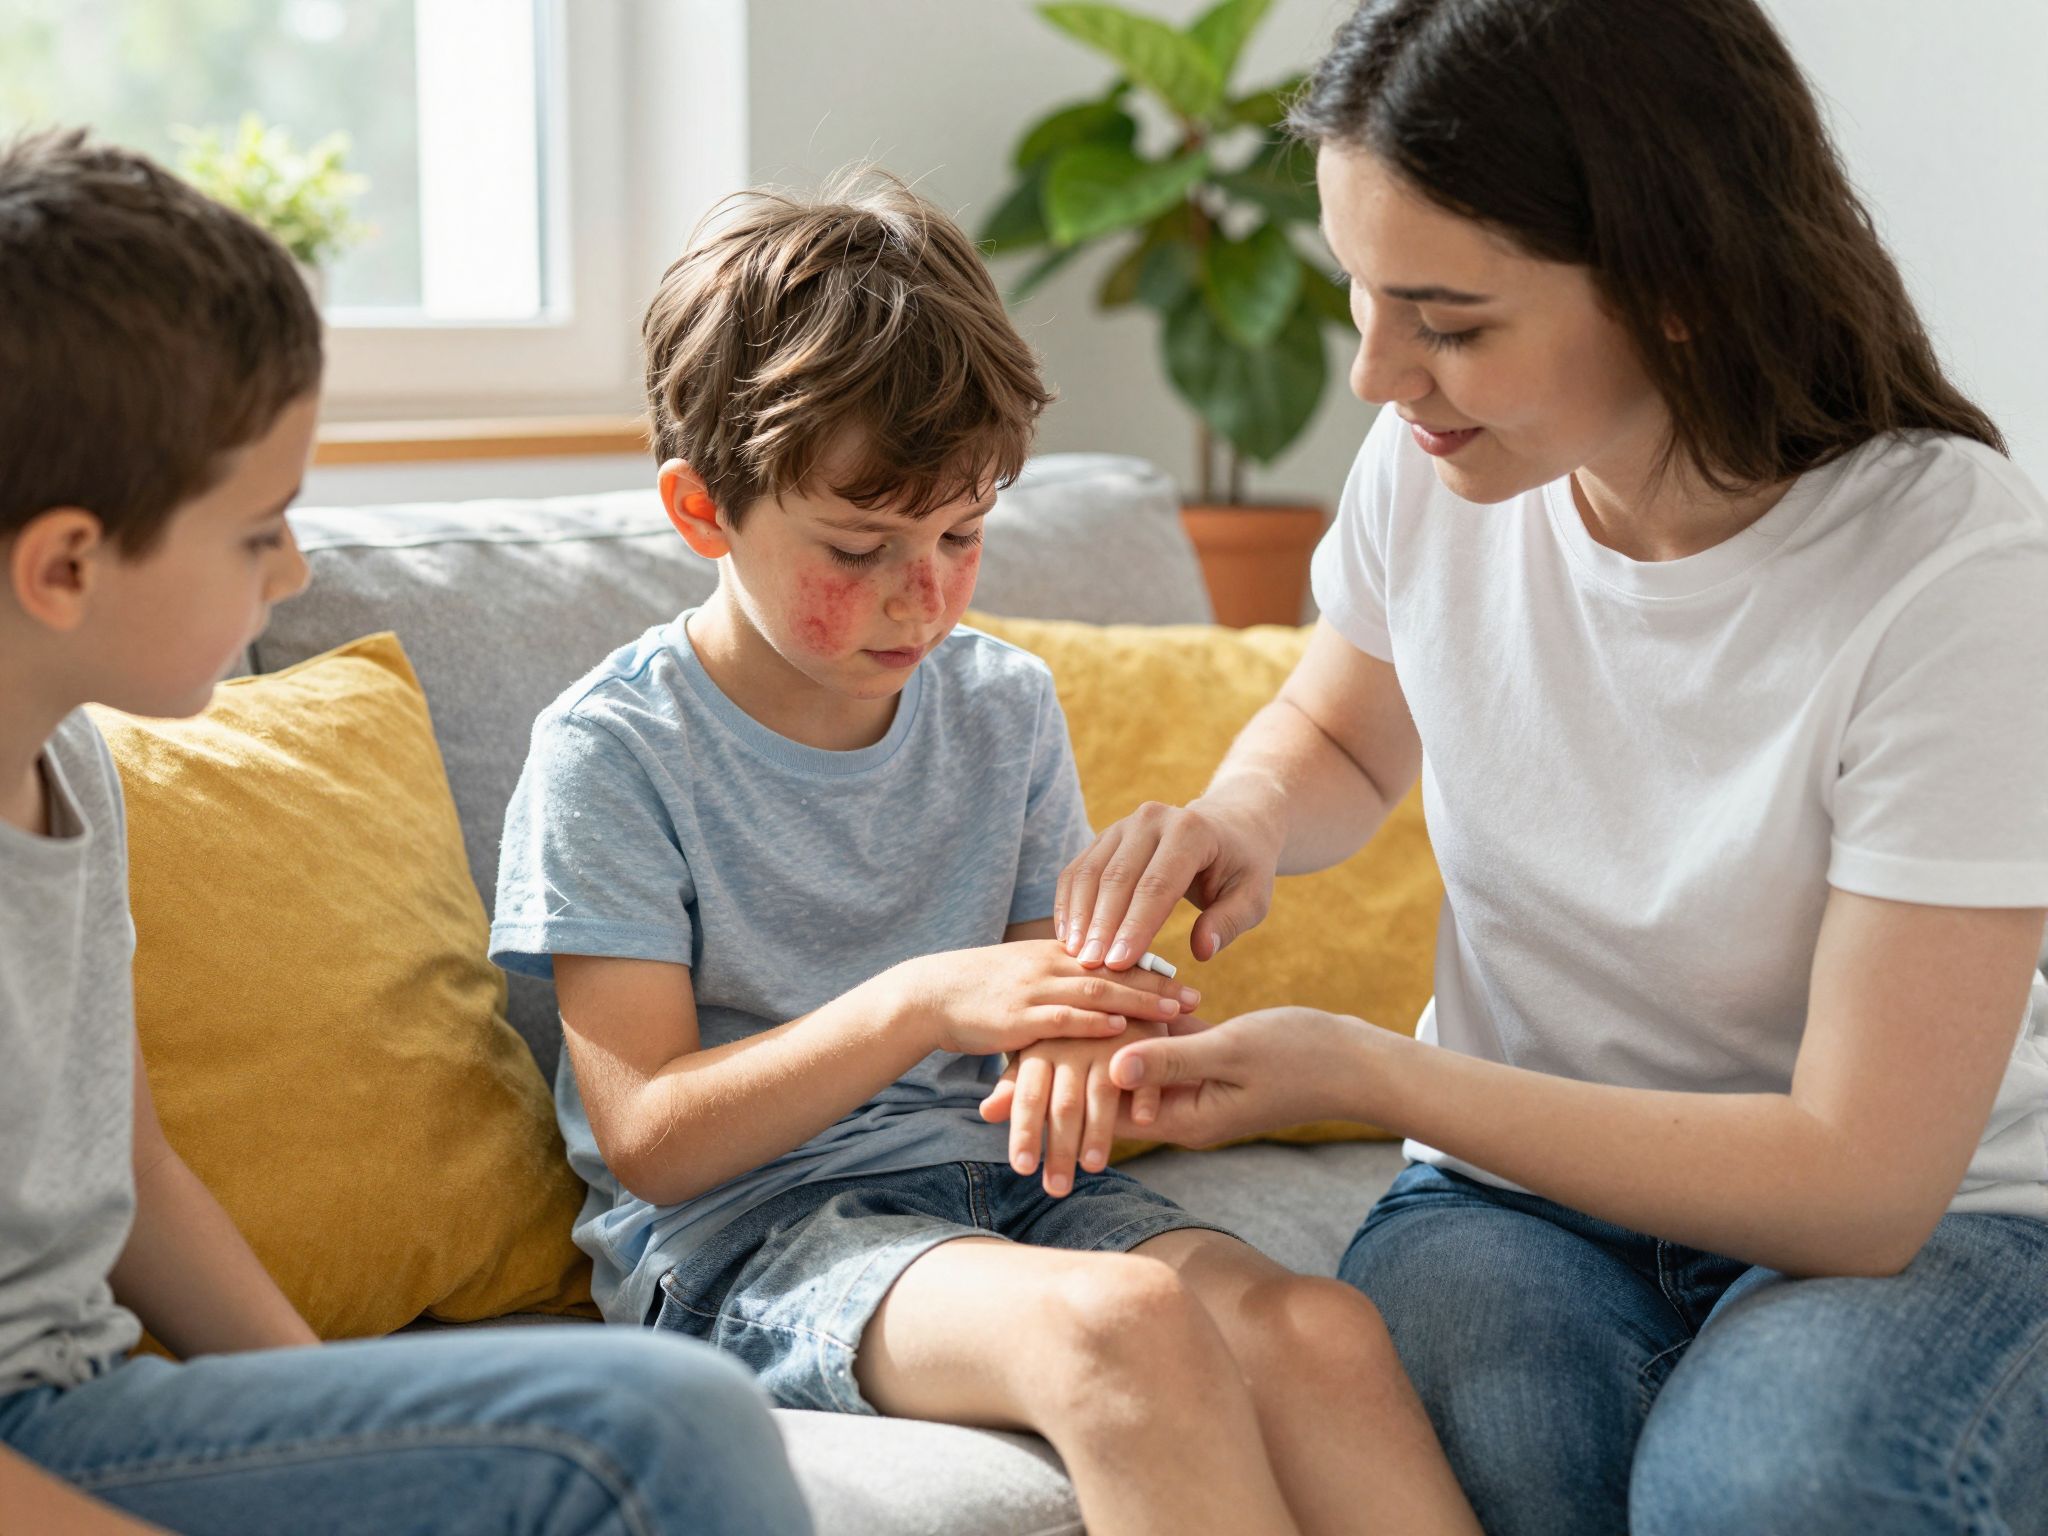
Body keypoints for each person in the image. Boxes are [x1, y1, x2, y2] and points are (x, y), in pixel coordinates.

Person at [1055, 2, 2048, 1533]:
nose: (1381, 378)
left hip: (1918, 1224)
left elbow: (1860, 1185)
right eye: (1362, 298)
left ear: (1679, 286)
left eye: (1449, 322)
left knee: (1765, 1491)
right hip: (1519, 1208)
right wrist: (1241, 817)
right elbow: (1335, 730)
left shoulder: (1950, 570)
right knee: (1475, 1464)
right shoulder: (1443, 463)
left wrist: (1370, 1069)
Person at [488, 172, 1481, 1536]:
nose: (923, 593)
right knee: (1120, 1327)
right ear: (702, 508)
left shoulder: (999, 704)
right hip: (766, 1241)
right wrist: (923, 1002)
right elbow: (654, 1138)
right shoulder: (615, 752)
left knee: (1321, 1333)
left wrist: (1081, 1040)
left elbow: (1043, 1000)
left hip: (1013, 1193)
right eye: (862, 545)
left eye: (962, 535)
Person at [0, 128, 812, 1536]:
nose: (297, 568)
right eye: (262, 529)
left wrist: (360, 1430)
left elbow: (132, 1178)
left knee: (644, 1417)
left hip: (89, 1404)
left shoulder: (66, 760)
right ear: (66, 564)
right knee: (646, 1433)